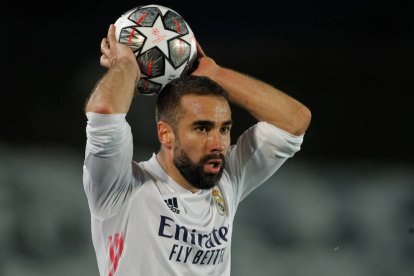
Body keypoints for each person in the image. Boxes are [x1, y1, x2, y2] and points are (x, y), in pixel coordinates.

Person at [83, 23, 311, 276]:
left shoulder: (227, 180)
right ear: (165, 133)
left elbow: (294, 120)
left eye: (224, 129)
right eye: (202, 128)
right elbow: (104, 111)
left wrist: (216, 74)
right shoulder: (120, 188)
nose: (218, 143)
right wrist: (127, 65)